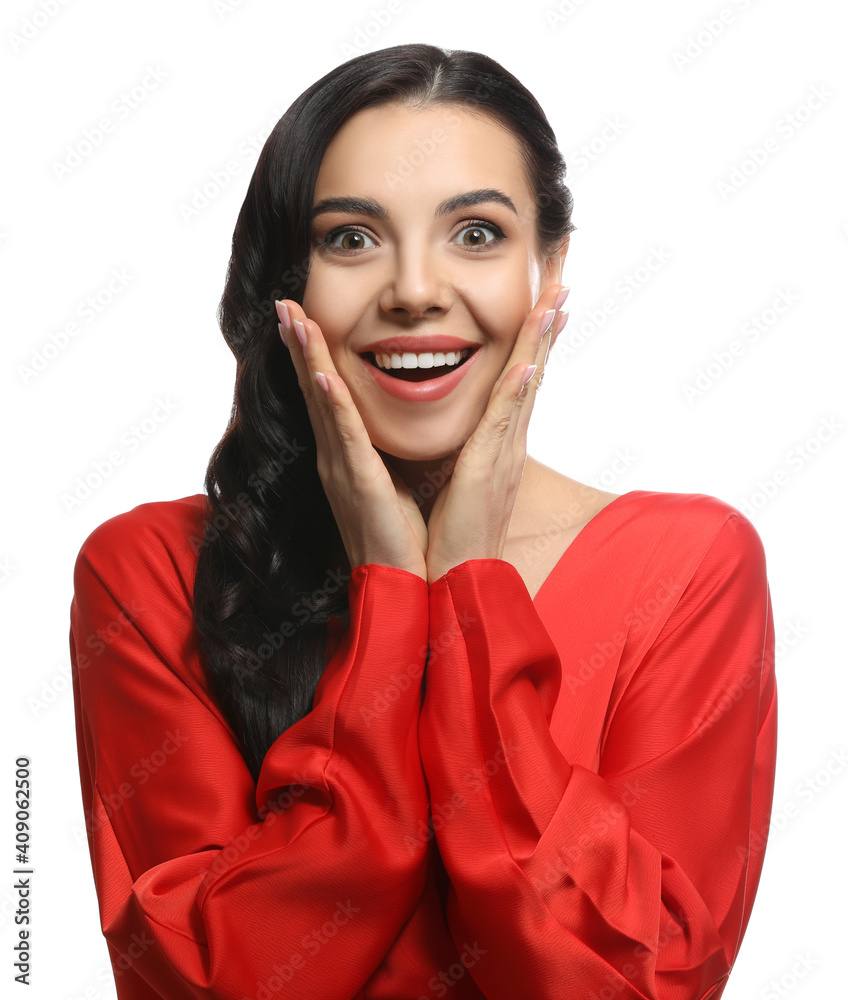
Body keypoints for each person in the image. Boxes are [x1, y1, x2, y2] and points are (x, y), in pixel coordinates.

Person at [69, 43, 777, 1000]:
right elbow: (214, 982)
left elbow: (637, 983)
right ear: (290, 284)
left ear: (550, 266)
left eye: (476, 234)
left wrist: (472, 594)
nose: (412, 289)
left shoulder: (689, 566)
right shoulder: (147, 572)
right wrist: (395, 600)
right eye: (350, 239)